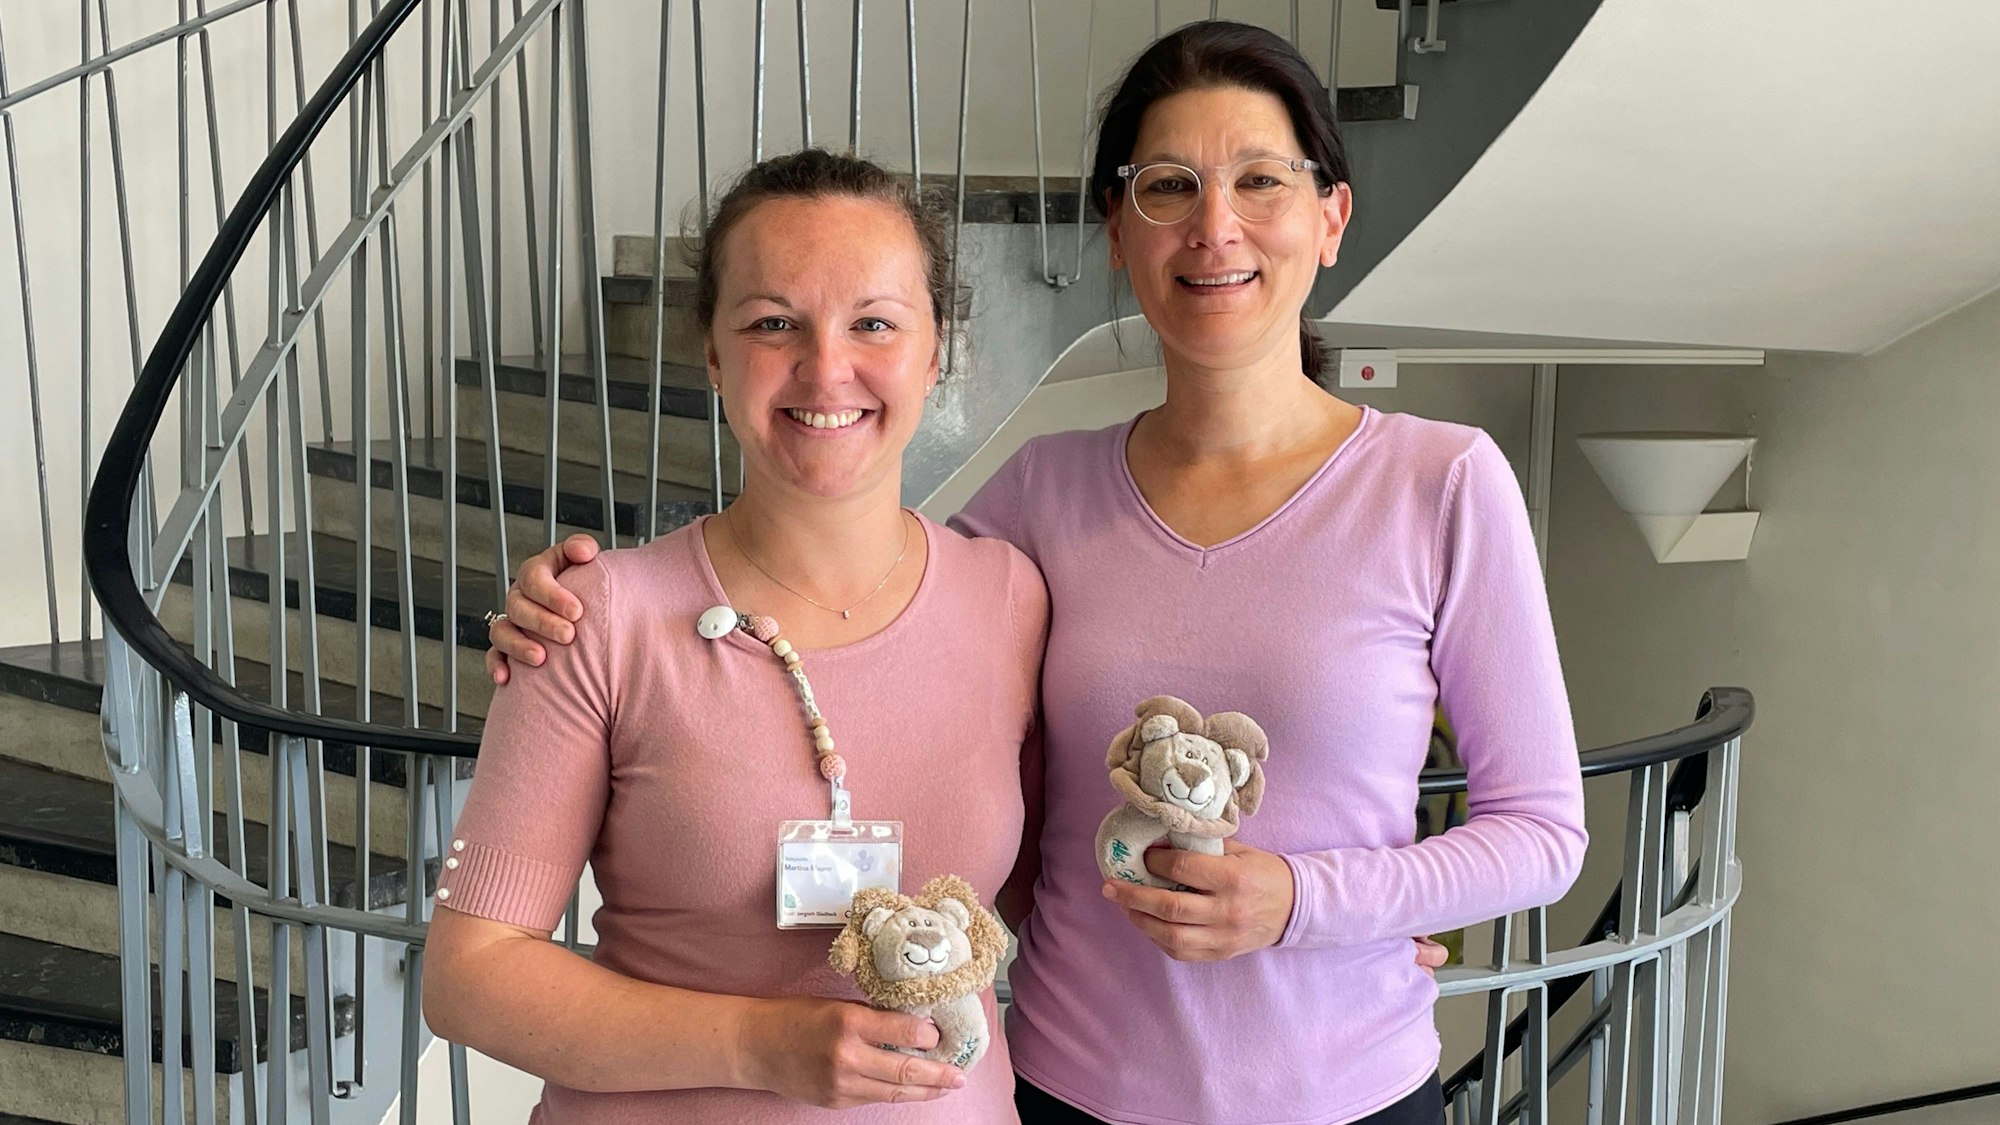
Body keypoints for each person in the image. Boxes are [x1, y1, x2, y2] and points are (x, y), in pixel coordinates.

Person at [488, 21, 1586, 1125]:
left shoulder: (1440, 484)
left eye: (1260, 179)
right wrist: (587, 606)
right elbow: (840, 570)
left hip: (1346, 1091)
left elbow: (1541, 835)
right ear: (1117, 231)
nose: (1214, 228)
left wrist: (1321, 901)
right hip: (1070, 1092)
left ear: (1329, 216)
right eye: (1167, 187)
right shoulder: (1034, 505)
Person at [422, 149, 1048, 1123]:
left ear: (936, 351)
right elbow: (471, 976)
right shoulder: (600, 621)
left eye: (873, 323)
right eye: (772, 324)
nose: (825, 367)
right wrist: (761, 1046)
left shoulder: (1008, 598)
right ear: (712, 353)